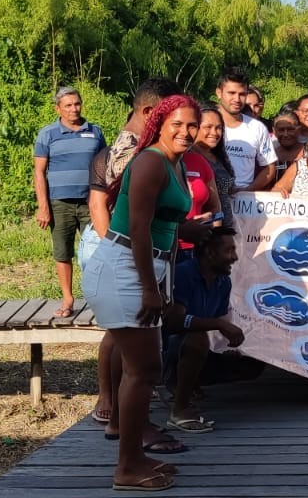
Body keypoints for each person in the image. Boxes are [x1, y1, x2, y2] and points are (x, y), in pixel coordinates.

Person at [82, 94, 210, 492]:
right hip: (124, 267)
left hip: (145, 266)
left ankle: (134, 455)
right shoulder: (152, 160)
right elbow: (138, 229)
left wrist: (170, 270)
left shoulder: (175, 162)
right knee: (143, 371)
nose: (186, 133)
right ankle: (127, 467)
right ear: (158, 122)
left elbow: (163, 228)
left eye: (193, 125)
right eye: (178, 124)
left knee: (142, 369)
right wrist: (149, 289)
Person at [80, 78, 183, 455]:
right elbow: (129, 222)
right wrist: (141, 278)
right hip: (122, 256)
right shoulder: (138, 154)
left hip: (137, 260)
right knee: (134, 359)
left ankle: (128, 429)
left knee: (136, 358)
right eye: (174, 120)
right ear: (151, 114)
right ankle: (126, 442)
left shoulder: (163, 155)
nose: (185, 131)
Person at [161, 226, 246, 434]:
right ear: (209, 253)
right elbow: (174, 322)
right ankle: (179, 409)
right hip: (159, 352)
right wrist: (219, 325)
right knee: (196, 339)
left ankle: (188, 386)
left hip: (186, 347)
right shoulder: (183, 274)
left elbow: (219, 319)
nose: (234, 257)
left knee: (249, 363)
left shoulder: (223, 282)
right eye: (229, 251)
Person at [34, 86, 106, 319]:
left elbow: (105, 167)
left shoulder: (95, 132)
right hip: (60, 204)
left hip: (91, 203)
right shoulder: (48, 134)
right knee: (63, 252)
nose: (74, 109)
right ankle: (68, 298)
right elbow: (39, 172)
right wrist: (43, 207)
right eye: (68, 105)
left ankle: (98, 298)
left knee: (96, 250)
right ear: (58, 108)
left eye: (77, 104)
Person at [214, 67, 277, 192]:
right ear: (219, 93)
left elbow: (269, 168)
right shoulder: (204, 123)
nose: (237, 99)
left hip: (243, 204)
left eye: (242, 94)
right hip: (209, 198)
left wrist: (247, 190)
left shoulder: (257, 128)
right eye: (231, 93)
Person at [195, 103, 238, 216]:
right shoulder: (189, 157)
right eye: (208, 127)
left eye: (218, 128)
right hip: (205, 227)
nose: (214, 133)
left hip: (226, 226)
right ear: (195, 127)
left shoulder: (219, 156)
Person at [269, 110, 305, 179]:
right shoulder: (269, 156)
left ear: (299, 129)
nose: (286, 134)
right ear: (274, 131)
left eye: (290, 129)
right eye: (281, 130)